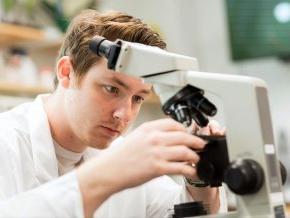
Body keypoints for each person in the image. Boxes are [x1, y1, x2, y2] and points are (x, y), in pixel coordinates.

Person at [0, 10, 227, 218]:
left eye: (138, 98)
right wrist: (106, 175)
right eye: (111, 89)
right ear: (66, 72)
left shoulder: (119, 150)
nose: (124, 114)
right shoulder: (7, 143)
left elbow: (182, 210)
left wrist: (200, 177)